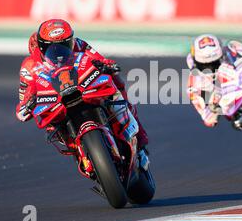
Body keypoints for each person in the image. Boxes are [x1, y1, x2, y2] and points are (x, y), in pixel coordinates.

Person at [15, 19, 149, 155]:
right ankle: (79, 150)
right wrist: (28, 106)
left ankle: (138, 135)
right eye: (54, 49)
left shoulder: (79, 44)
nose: (60, 53)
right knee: (51, 128)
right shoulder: (29, 66)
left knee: (115, 86)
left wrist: (108, 66)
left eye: (65, 44)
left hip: (82, 87)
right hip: (56, 102)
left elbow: (101, 60)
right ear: (42, 48)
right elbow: (22, 107)